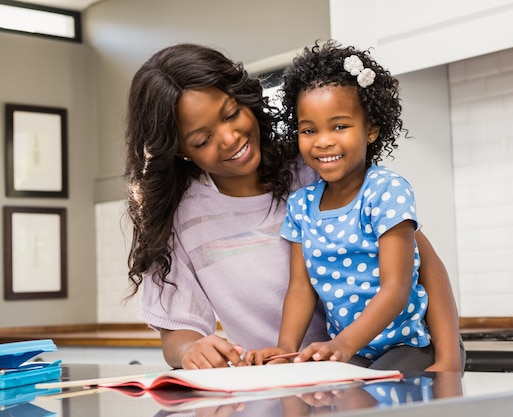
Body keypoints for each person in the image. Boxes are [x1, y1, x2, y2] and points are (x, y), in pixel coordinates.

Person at [124, 42, 464, 371]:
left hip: (377, 353)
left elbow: (423, 265)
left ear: (245, 100)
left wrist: (448, 359)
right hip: (292, 378)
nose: (230, 139)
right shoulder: (179, 218)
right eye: (202, 139)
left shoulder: (315, 166)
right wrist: (190, 349)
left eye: (231, 114)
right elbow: (177, 335)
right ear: (179, 149)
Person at [246, 40, 462, 371]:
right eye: (308, 129)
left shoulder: (386, 191)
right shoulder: (302, 205)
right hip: (353, 350)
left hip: (408, 344)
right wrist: (285, 349)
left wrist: (344, 344)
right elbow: (301, 288)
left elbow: (397, 287)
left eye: (340, 126)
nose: (323, 140)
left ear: (371, 129)